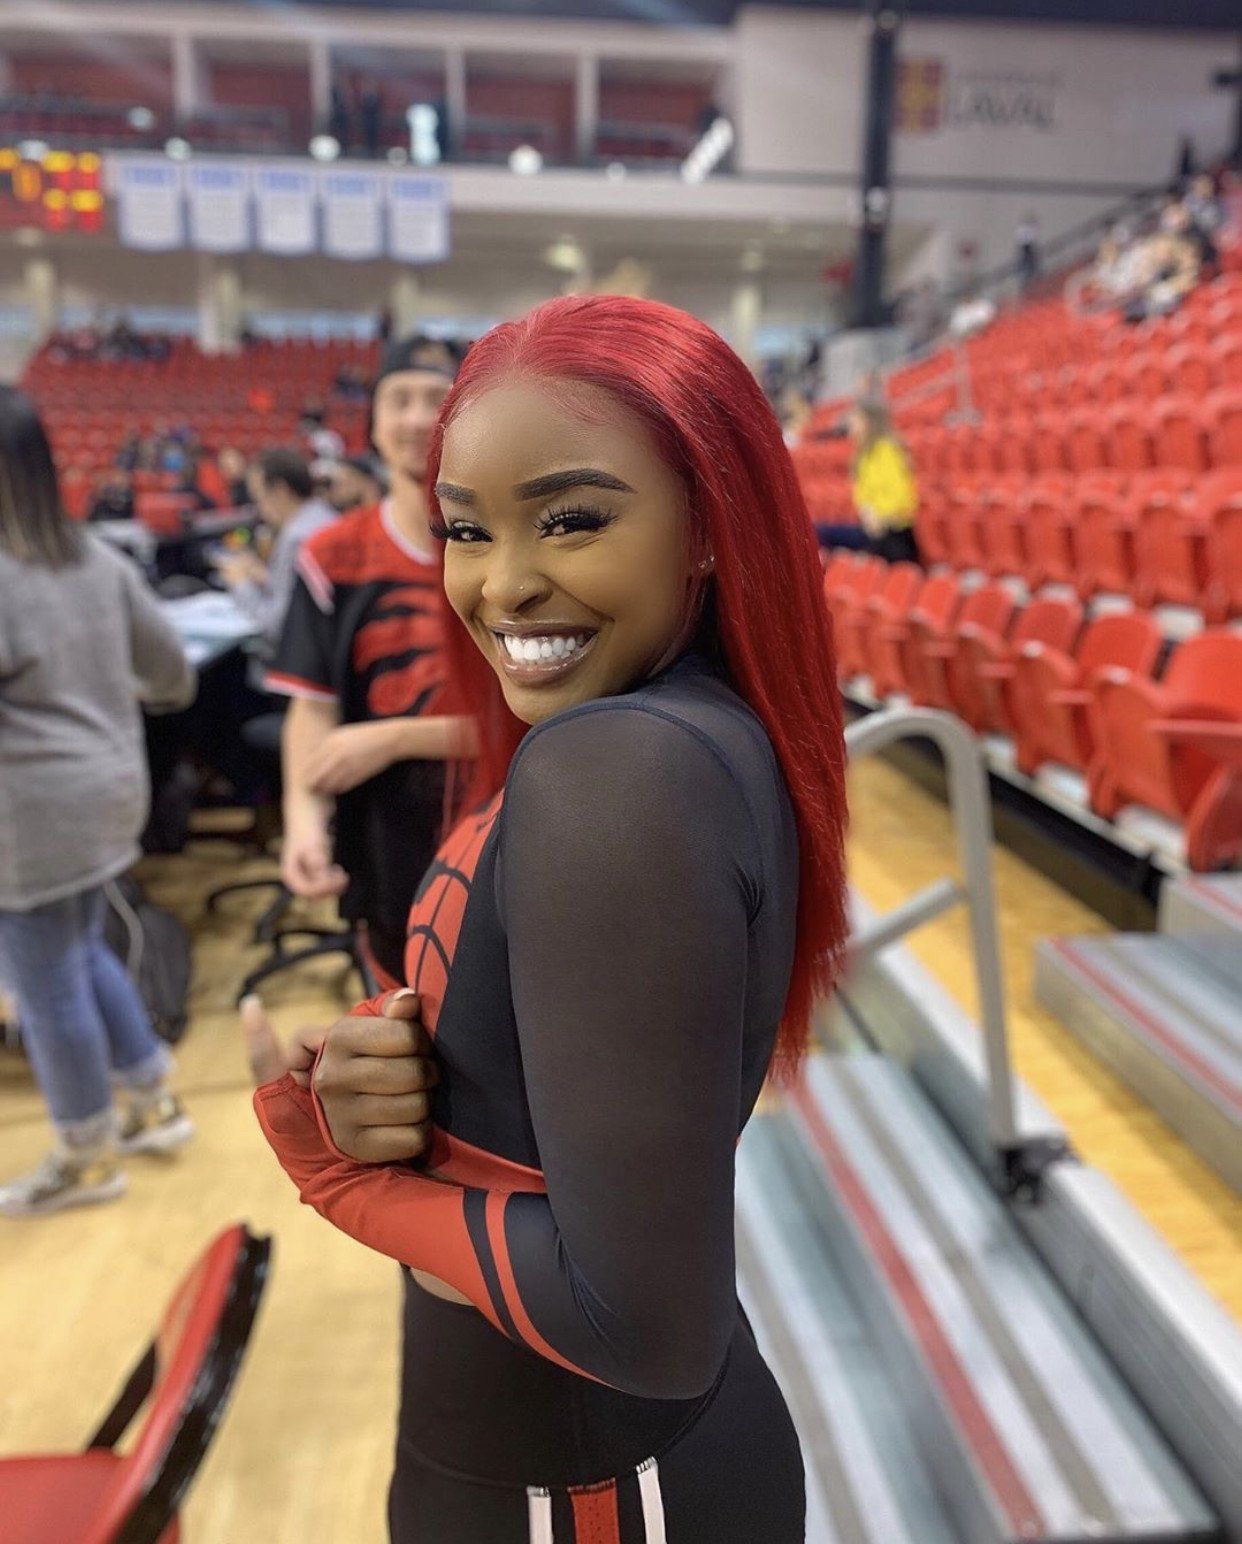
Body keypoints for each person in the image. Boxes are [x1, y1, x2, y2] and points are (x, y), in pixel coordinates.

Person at [245, 294, 848, 1541]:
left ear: (707, 525)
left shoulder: (620, 767)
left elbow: (647, 1326)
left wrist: (349, 1181)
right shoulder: (647, 735)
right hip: (553, 1467)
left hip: (592, 1492)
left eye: (571, 519)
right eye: (466, 529)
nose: (505, 583)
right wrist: (408, 1076)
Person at [0, 387, 196, 1218]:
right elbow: (172, 675)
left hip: (30, 816)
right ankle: (153, 1102)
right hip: (110, 793)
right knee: (79, 953)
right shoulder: (95, 558)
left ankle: (85, 1156)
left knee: (46, 985)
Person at [267, 335, 476, 987]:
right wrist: (304, 823)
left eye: (436, 400)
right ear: (374, 423)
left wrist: (394, 738)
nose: (417, 418)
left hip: (506, 837)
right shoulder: (331, 556)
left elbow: (539, 719)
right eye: (398, 400)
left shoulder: (502, 550)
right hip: (388, 851)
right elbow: (312, 709)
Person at [215, 448, 336, 659]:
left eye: (259, 497)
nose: (259, 509)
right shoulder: (324, 515)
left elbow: (278, 626)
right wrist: (266, 577)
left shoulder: (297, 537)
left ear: (281, 490)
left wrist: (240, 582)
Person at [849, 395, 920, 563]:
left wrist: (879, 518)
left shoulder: (886, 450)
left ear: (867, 421)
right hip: (873, 528)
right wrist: (867, 512)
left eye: (855, 418)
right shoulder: (864, 455)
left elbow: (901, 497)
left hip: (894, 531)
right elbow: (862, 495)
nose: (850, 423)